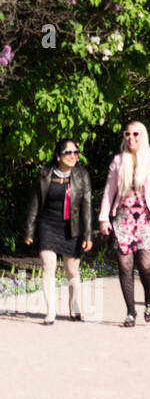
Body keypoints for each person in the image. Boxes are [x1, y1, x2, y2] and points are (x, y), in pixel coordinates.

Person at [99, 121, 150, 327]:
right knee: (124, 265)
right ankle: (130, 311)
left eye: (136, 134)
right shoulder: (119, 161)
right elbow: (109, 191)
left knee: (146, 265)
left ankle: (149, 299)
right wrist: (104, 217)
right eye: (128, 134)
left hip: (146, 220)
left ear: (143, 136)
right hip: (123, 218)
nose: (131, 138)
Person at [25, 139, 93, 324]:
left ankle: (74, 305)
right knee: (49, 266)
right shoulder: (45, 174)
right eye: (68, 152)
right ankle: (51, 312)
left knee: (71, 271)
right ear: (58, 155)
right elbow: (35, 204)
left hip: (73, 228)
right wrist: (30, 231)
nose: (73, 156)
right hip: (48, 225)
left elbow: (86, 206)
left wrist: (87, 235)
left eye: (75, 152)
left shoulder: (81, 175)